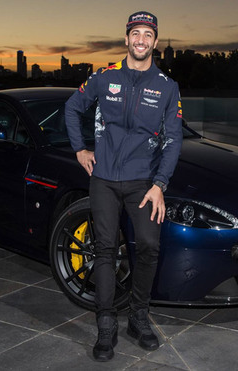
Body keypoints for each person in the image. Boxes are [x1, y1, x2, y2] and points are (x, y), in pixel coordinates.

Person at [64, 10, 183, 362]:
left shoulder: (166, 87)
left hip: (142, 182)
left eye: (148, 34)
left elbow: (174, 140)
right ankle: (106, 324)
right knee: (103, 249)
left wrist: (160, 183)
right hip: (103, 179)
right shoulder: (104, 78)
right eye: (136, 33)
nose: (141, 40)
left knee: (148, 245)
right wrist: (79, 149)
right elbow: (72, 108)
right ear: (126, 38)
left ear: (155, 42)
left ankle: (138, 316)